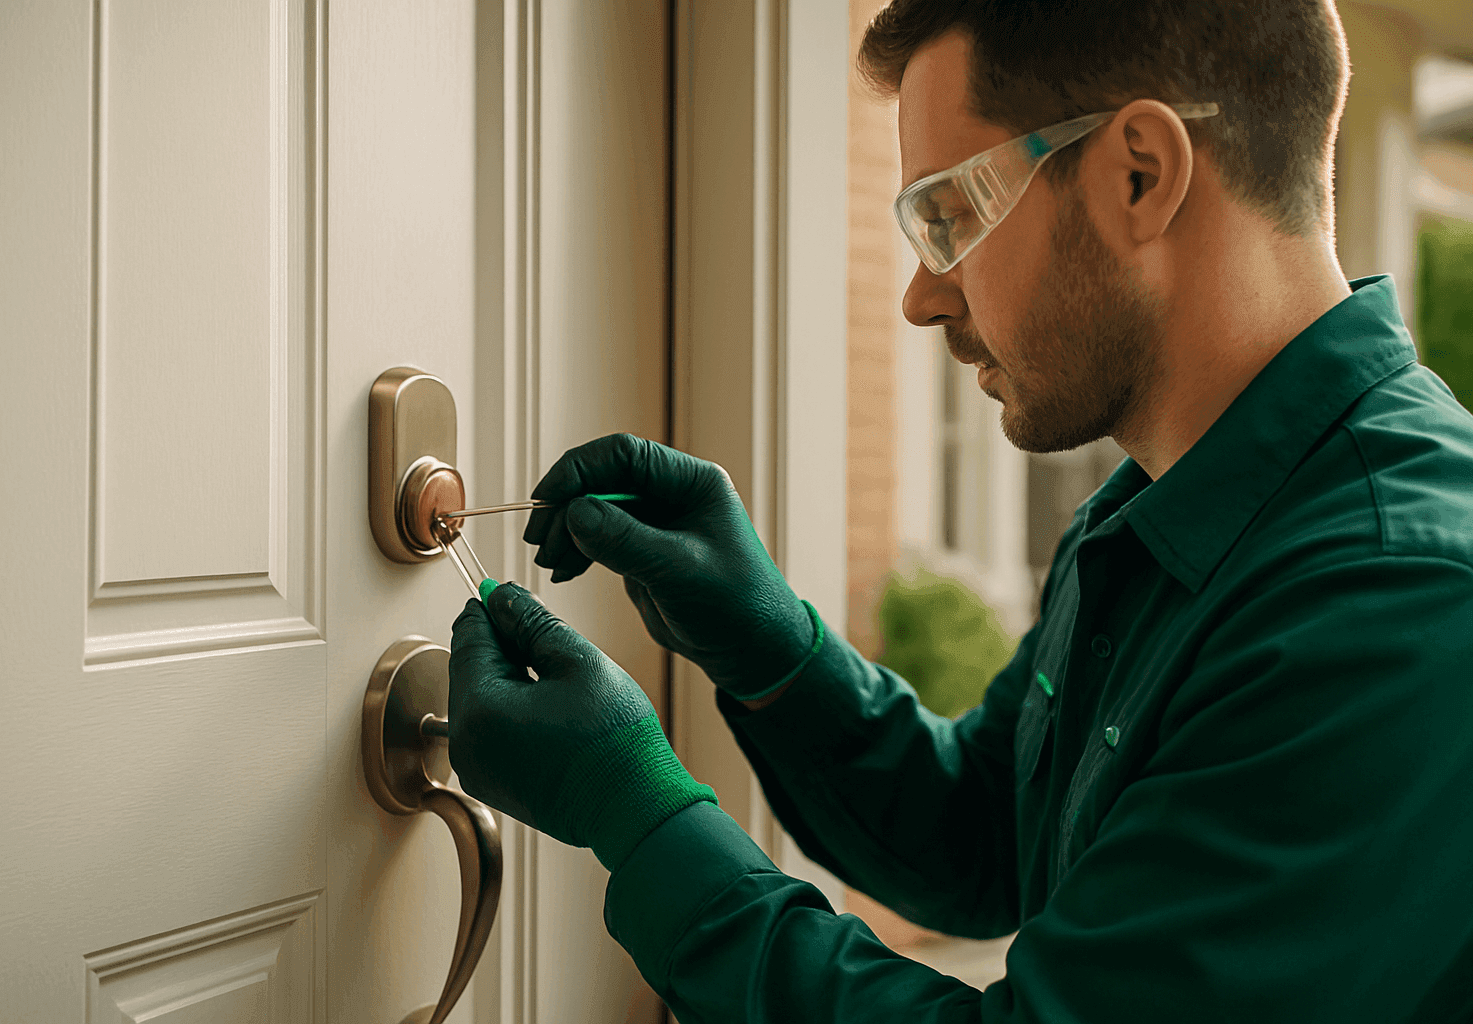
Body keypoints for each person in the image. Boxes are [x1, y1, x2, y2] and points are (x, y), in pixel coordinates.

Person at [443, 0, 1473, 1019]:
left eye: (949, 214)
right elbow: (990, 836)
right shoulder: (1161, 511)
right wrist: (773, 653)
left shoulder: (1395, 603)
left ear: (1138, 174)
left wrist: (633, 807)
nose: (922, 296)